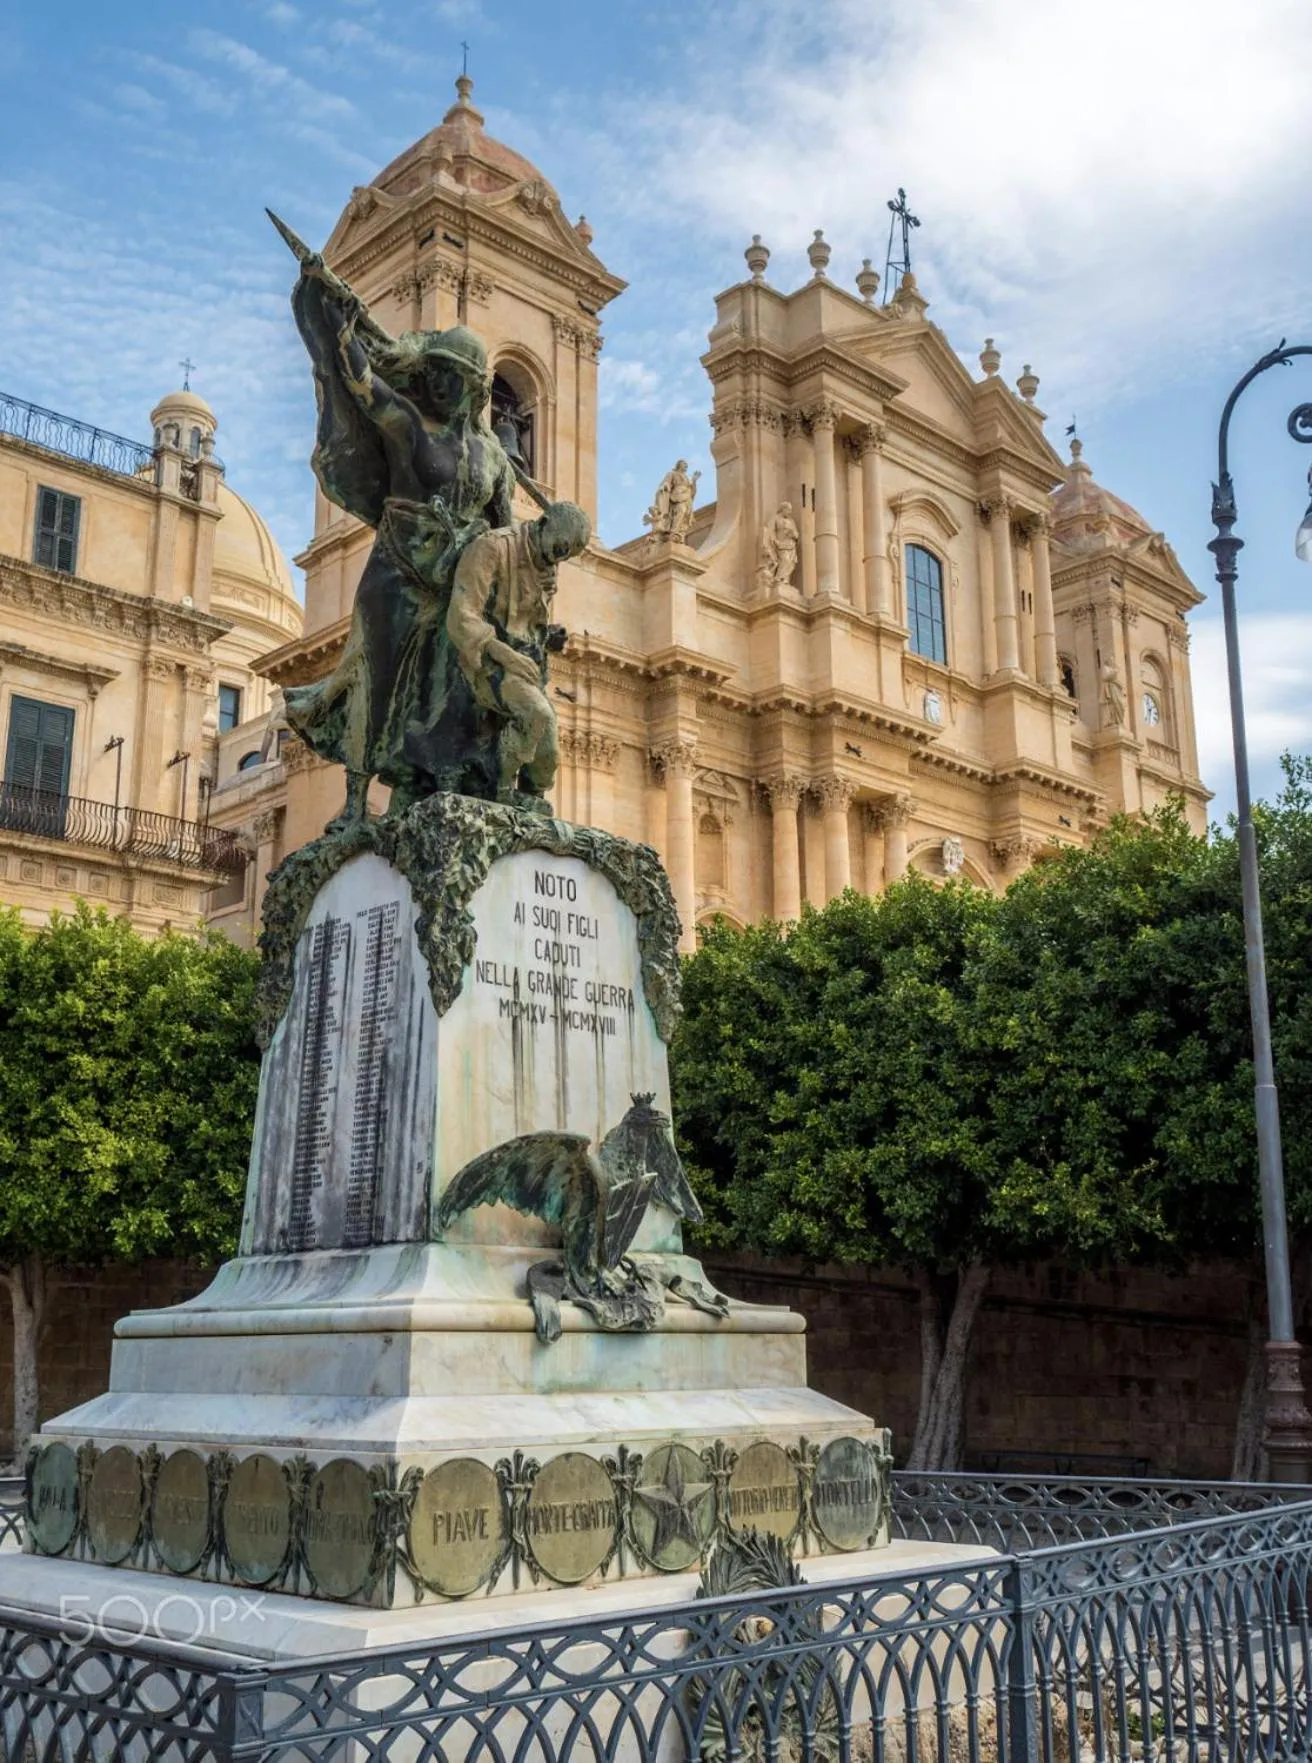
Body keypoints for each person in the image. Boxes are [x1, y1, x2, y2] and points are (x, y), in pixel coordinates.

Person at [278, 248, 517, 823]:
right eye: (432, 371)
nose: (437, 382)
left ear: (474, 388)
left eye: (450, 375)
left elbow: (506, 535)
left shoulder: (493, 459)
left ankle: (445, 781)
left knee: (455, 689)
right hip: (397, 576)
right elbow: (364, 389)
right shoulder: (409, 426)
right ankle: (357, 802)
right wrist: (339, 328)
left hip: (456, 584)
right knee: (376, 683)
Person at [446, 502, 591, 806]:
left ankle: (531, 799)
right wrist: (505, 655)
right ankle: (499, 791)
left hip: (526, 666)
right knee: (537, 714)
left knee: (549, 752)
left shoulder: (546, 563)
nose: (558, 559)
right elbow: (462, 615)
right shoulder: (492, 548)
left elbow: (527, 622)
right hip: (487, 661)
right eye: (559, 548)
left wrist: (547, 636)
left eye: (566, 555)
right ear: (543, 523)